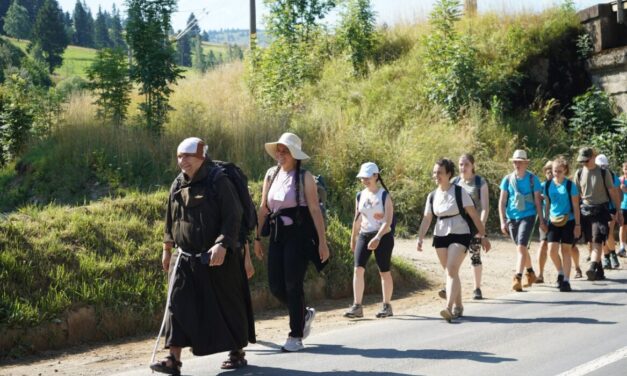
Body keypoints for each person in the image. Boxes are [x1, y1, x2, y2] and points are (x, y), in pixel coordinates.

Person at [151, 137, 255, 375]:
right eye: (179, 156)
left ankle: (237, 352)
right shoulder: (177, 183)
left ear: (201, 157)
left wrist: (222, 245)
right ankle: (173, 359)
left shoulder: (219, 181)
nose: (182, 161)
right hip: (184, 257)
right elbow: (170, 219)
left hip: (216, 257)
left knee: (227, 304)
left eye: (187, 156)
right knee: (176, 305)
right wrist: (167, 249)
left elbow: (233, 216)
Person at [253, 132, 330, 353]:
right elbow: (263, 208)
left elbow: (315, 210)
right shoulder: (271, 174)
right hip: (277, 235)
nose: (280, 154)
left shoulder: (305, 177)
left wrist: (322, 243)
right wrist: (257, 237)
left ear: (295, 155)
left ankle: (295, 335)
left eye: (284, 151)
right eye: (278, 150)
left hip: (298, 236)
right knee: (276, 286)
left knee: (292, 284)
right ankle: (304, 314)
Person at [416, 158, 490, 323]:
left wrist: (483, 236)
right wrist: (420, 238)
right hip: (440, 234)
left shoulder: (459, 192)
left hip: (460, 233)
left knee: (451, 270)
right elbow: (427, 219)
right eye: (435, 173)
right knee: (451, 272)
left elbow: (473, 215)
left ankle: (448, 308)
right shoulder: (432, 196)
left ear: (449, 174)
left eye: (440, 173)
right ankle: (459, 305)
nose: (436, 176)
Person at [344, 162, 395, 319]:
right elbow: (357, 218)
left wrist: (378, 237)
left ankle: (387, 305)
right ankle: (357, 306)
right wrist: (353, 238)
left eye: (367, 177)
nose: (364, 180)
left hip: (383, 236)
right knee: (358, 269)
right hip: (365, 235)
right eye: (362, 177)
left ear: (376, 176)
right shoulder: (360, 195)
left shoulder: (384, 196)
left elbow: (388, 222)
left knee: (384, 271)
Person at [498, 149, 546, 291]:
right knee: (522, 248)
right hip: (512, 217)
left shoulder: (533, 179)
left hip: (528, 216)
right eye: (515, 162)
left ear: (526, 163)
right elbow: (502, 201)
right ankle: (531, 272)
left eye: (520, 162)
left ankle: (517, 277)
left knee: (521, 247)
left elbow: (538, 201)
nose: (517, 164)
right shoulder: (507, 180)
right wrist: (502, 220)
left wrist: (542, 221)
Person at [574, 147, 624, 281]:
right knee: (590, 241)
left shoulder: (603, 172)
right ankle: (599, 270)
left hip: (601, 211)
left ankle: (592, 266)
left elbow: (613, 192)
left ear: (592, 157)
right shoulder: (578, 173)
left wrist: (618, 211)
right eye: (582, 161)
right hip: (585, 211)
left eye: (586, 160)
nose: (583, 163)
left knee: (597, 239)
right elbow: (576, 195)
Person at [452, 153, 489, 300]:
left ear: (473, 165)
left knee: (475, 255)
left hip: (474, 226)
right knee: (454, 257)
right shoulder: (454, 182)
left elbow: (485, 207)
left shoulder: (480, 182)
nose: (463, 167)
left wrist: (482, 227)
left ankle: (477, 288)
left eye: (466, 164)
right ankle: (451, 285)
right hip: (458, 226)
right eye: (461, 164)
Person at [544, 157, 581, 292]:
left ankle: (566, 280)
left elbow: (576, 206)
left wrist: (577, 225)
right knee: (552, 251)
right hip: (553, 221)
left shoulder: (571, 186)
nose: (556, 174)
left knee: (566, 250)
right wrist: (544, 220)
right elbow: (547, 204)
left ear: (565, 171)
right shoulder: (548, 185)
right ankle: (560, 272)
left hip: (569, 221)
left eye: (559, 171)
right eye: (554, 171)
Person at [595, 154, 621, 270]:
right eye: (600, 166)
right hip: (597, 207)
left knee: (608, 233)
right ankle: (607, 257)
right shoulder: (592, 175)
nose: (602, 168)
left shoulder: (612, 175)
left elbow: (615, 193)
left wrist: (618, 210)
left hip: (610, 207)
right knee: (602, 234)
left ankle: (612, 254)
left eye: (604, 165)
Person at [536, 161, 554, 284]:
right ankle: (540, 274)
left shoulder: (563, 186)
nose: (549, 174)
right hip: (545, 220)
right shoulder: (542, 186)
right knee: (543, 245)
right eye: (547, 171)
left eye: (551, 171)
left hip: (562, 220)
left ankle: (576, 268)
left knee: (567, 247)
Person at [619, 161, 627, 258]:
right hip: (622, 206)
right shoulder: (620, 180)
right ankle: (622, 247)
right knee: (622, 226)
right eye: (625, 169)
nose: (626, 171)